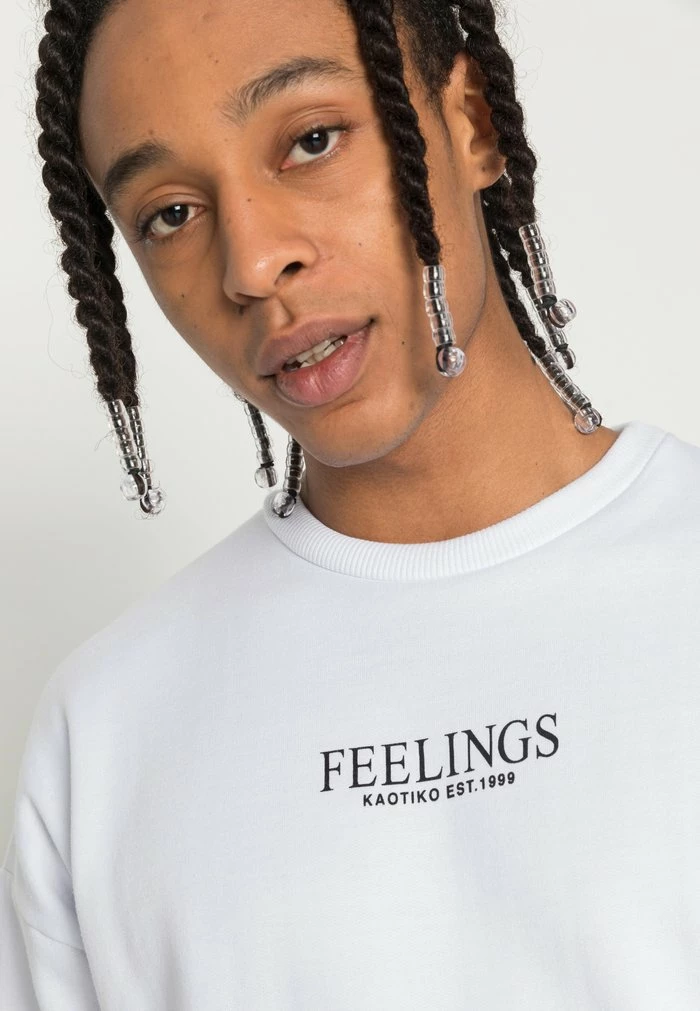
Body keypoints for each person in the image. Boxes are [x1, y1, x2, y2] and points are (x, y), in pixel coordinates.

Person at [1, 0, 698, 1007]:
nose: (251, 264)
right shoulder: (108, 731)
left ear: (473, 123)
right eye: (171, 214)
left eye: (312, 140)